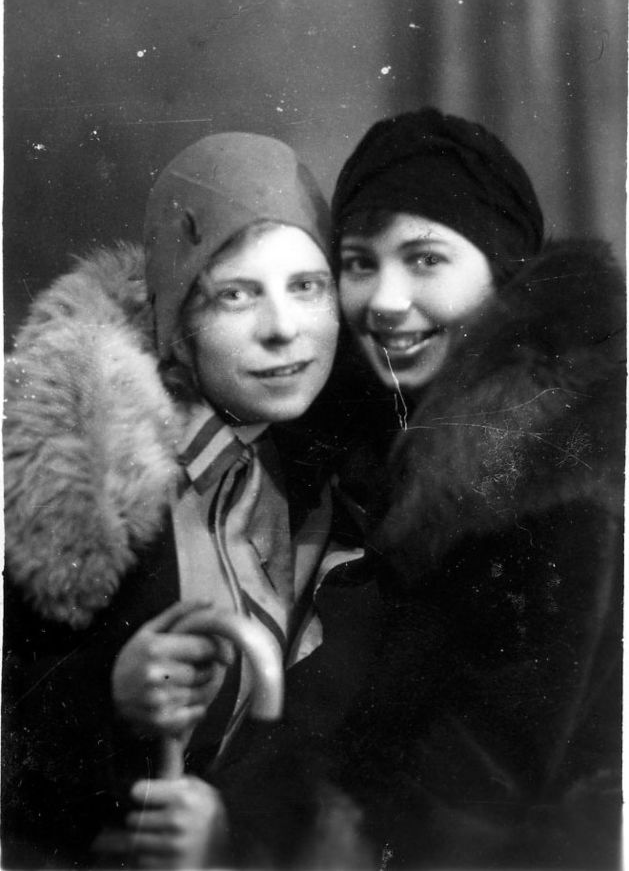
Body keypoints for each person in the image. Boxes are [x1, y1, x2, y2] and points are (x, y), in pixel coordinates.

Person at [2, 132, 372, 869]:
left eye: (307, 286)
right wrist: (109, 691)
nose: (283, 329)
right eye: (236, 294)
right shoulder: (89, 479)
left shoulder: (338, 474)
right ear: (178, 317)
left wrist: (236, 831)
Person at [319, 107, 624, 870]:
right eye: (358, 262)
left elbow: (476, 806)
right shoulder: (376, 437)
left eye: (424, 259)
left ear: (502, 275)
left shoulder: (560, 488)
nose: (384, 300)